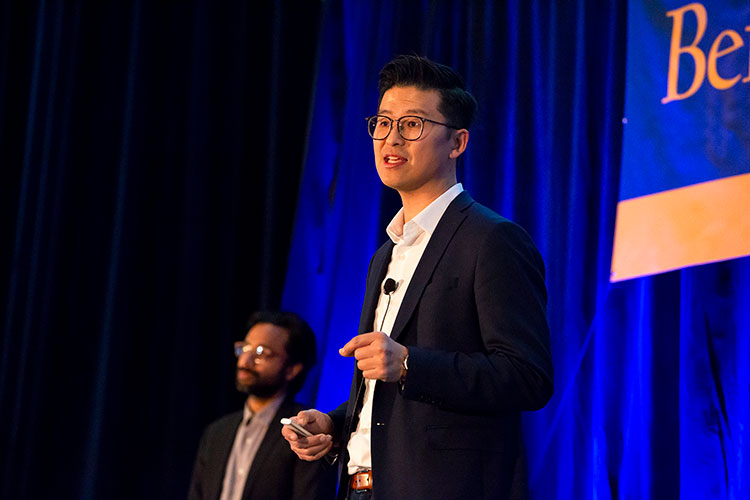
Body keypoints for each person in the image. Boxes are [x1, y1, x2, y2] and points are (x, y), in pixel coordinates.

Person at [282, 54, 554, 500]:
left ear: (457, 142)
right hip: (361, 488)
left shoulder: (492, 240)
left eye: (412, 124)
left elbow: (527, 376)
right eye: (383, 122)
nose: (391, 138)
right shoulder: (384, 254)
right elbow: (392, 399)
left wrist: (410, 363)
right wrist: (335, 422)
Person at [189, 311, 335, 500]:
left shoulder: (304, 431)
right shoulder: (216, 433)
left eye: (261, 353)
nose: (245, 361)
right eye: (245, 348)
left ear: (292, 369)